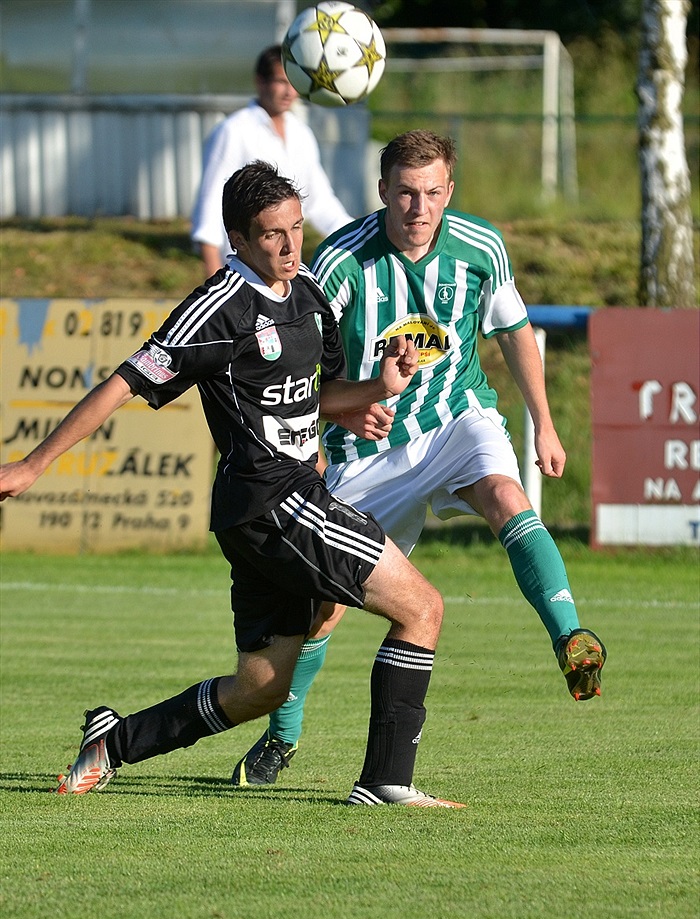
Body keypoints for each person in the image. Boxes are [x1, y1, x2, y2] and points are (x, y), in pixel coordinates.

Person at [0, 161, 465, 809]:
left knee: (263, 686)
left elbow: (318, 395)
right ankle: (385, 780)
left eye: (297, 229)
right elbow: (124, 383)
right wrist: (33, 463)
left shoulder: (309, 295)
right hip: (274, 500)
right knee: (422, 608)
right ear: (237, 241)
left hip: (275, 506)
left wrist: (375, 391)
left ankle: (117, 742)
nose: (290, 246)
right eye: (272, 234)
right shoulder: (217, 306)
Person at [231, 130, 607, 788]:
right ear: (383, 191)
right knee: (324, 605)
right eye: (405, 192)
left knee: (506, 497)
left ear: (449, 193)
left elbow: (515, 331)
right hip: (369, 447)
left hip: (457, 418)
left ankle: (571, 638)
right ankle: (282, 737)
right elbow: (296, 369)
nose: (419, 206)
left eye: (433, 192)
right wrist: (342, 408)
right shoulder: (341, 263)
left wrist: (543, 423)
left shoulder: (482, 247)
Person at [190, 44, 352, 278]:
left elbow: (321, 202)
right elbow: (210, 205)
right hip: (240, 270)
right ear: (260, 82)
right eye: (281, 82)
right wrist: (214, 276)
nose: (289, 92)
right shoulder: (234, 131)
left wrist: (361, 236)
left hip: (284, 270)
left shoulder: (301, 133)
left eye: (295, 83)